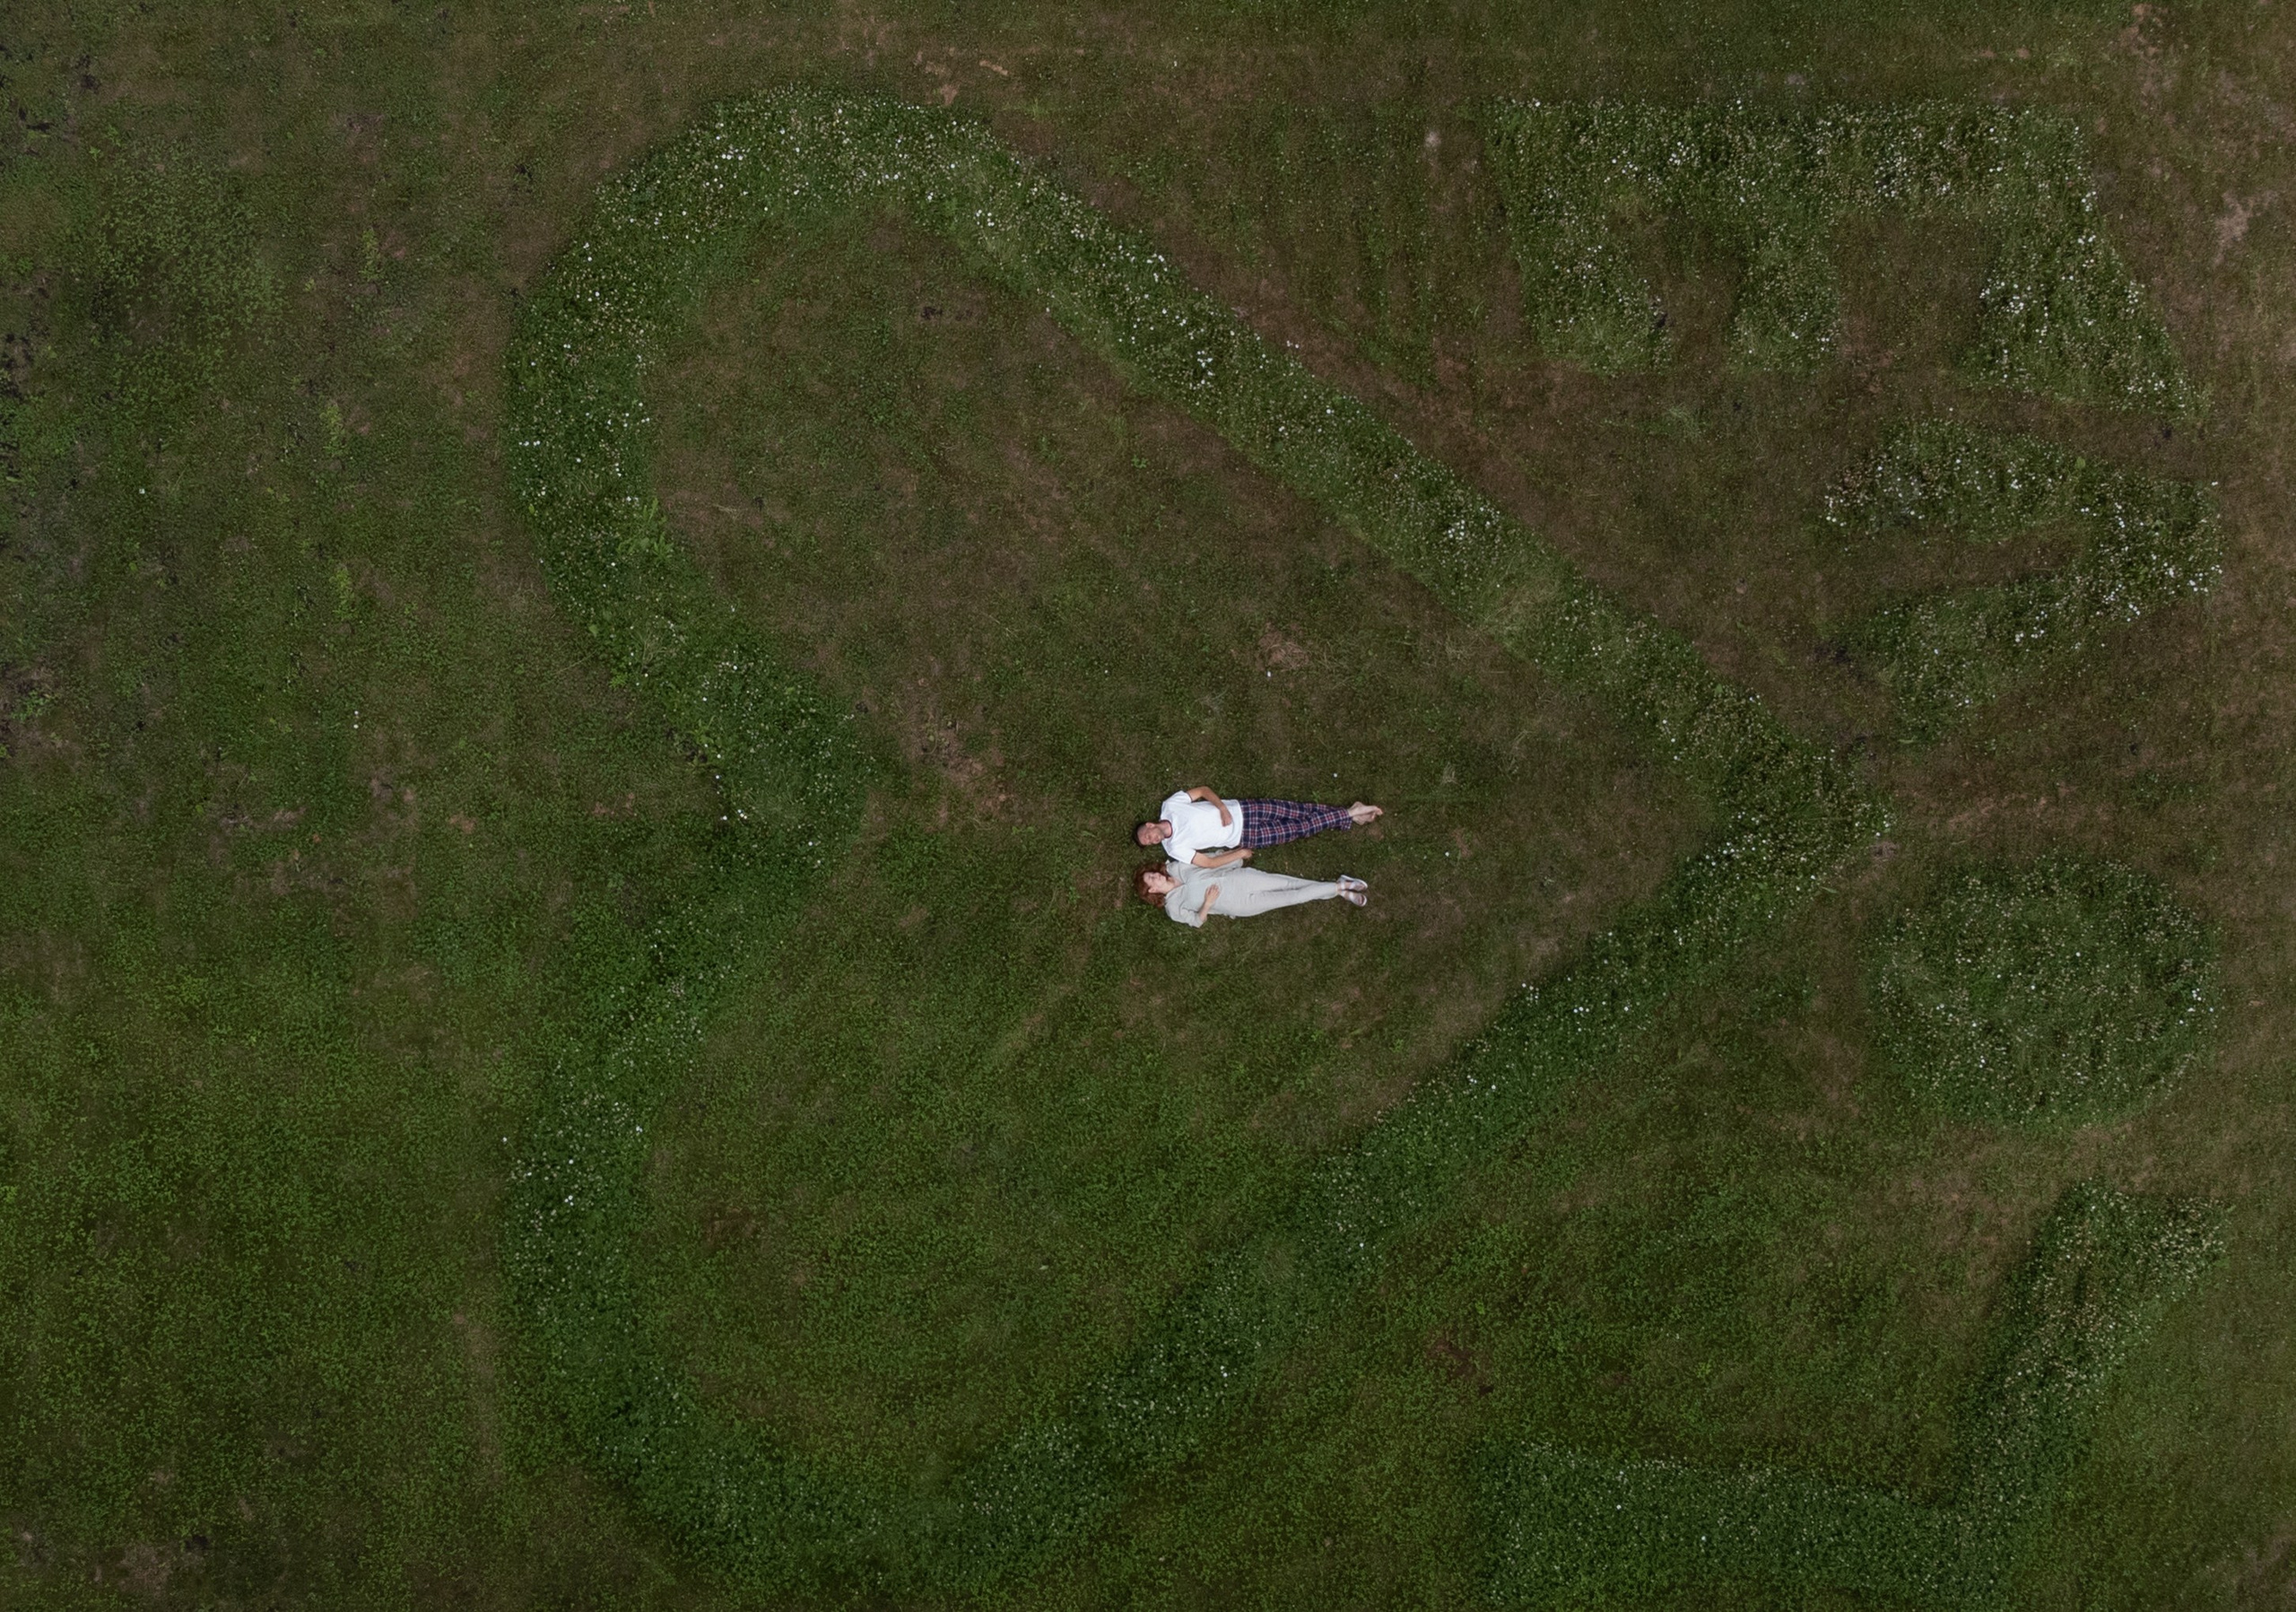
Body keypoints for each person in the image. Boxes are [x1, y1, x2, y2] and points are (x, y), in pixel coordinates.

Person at [1135, 787, 1383, 868]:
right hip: (1245, 835)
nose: (1152, 839)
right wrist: (1239, 853)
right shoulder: (1173, 848)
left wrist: (1221, 807)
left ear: (1149, 824)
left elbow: (1202, 791)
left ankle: (1347, 816)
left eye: (1147, 835)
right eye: (1149, 843)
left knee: (1301, 811)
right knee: (1301, 828)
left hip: (1244, 810)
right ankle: (1351, 812)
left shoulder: (1170, 806)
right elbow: (1207, 863)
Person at [1136, 861, 1368, 927]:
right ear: (1153, 891)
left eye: (1152, 874)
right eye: (1151, 882)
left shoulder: (1176, 867)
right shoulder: (1173, 908)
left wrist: (1230, 856)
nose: (1155, 877)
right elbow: (1197, 921)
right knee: (1292, 897)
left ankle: (1338, 889)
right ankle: (1339, 888)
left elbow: (1206, 863)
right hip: (1240, 905)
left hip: (1240, 879)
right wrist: (1207, 905)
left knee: (1289, 883)